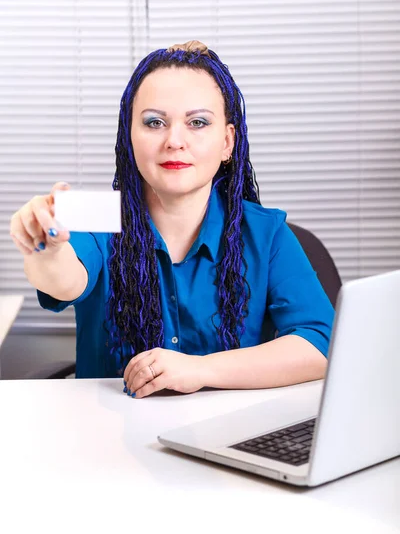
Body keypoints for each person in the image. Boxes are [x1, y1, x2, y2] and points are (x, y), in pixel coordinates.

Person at [10, 40, 334, 398]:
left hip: (225, 435)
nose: (174, 140)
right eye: (154, 122)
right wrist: (44, 245)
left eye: (197, 122)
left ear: (227, 142)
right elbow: (62, 280)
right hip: (106, 438)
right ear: (129, 137)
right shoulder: (97, 219)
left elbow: (319, 344)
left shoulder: (266, 233)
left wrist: (199, 369)